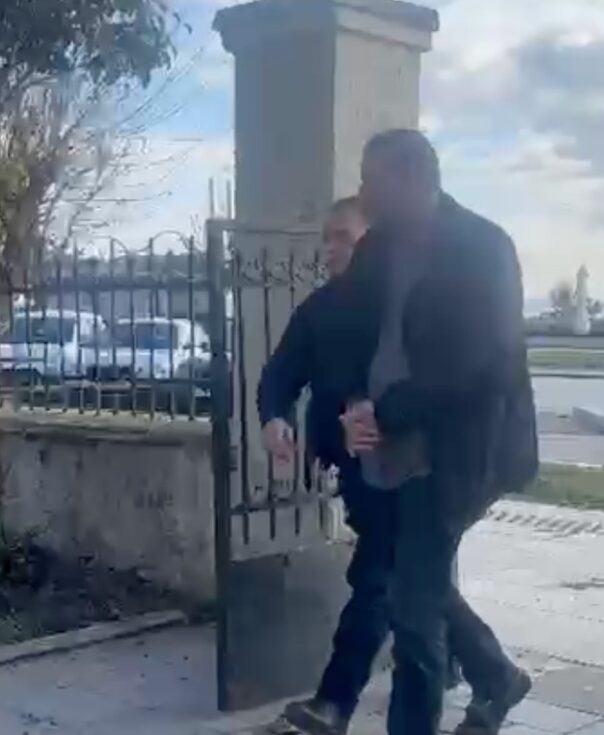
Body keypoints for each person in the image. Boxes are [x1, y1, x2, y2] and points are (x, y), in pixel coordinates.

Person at [329, 129, 539, 735]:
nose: (363, 192)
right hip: (387, 451)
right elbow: (348, 330)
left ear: (411, 180)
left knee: (413, 607)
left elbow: (484, 363)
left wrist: (389, 409)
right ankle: (497, 675)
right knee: (410, 579)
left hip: (457, 454)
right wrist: (354, 400)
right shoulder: (377, 249)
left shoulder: (483, 247)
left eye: (372, 180)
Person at [258, 197, 394, 734]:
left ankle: (332, 703)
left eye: (343, 237)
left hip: (401, 470)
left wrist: (374, 410)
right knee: (411, 576)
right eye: (327, 237)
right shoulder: (318, 309)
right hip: (353, 471)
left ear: (373, 242)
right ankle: (489, 670)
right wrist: (274, 417)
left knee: (376, 580)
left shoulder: (399, 306)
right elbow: (279, 373)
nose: (330, 248)